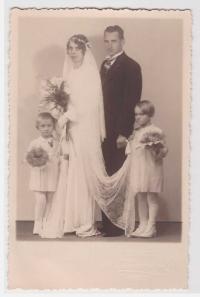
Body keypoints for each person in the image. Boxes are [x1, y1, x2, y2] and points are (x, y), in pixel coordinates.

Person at [41, 34, 107, 238]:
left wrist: (67, 115)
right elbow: (66, 101)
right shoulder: (69, 74)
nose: (71, 52)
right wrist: (59, 113)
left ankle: (85, 222)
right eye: (69, 48)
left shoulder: (89, 73)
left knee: (84, 172)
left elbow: (90, 104)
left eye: (75, 48)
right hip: (71, 127)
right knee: (70, 171)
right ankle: (71, 219)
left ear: (84, 50)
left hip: (85, 127)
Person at [100, 25, 142, 235]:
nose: (110, 45)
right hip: (102, 130)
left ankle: (118, 224)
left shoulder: (131, 66)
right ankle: (107, 222)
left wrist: (123, 132)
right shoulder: (104, 65)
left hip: (117, 131)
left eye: (114, 41)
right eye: (106, 41)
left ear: (123, 41)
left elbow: (130, 101)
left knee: (117, 175)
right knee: (105, 174)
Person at [118, 100, 168, 237]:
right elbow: (132, 151)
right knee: (140, 196)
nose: (137, 117)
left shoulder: (156, 131)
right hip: (139, 168)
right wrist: (129, 141)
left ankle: (151, 227)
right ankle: (143, 225)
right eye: (136, 114)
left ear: (149, 115)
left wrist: (157, 148)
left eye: (141, 114)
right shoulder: (137, 132)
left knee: (151, 197)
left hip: (151, 168)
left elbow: (164, 151)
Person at [26, 112, 59, 234]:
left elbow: (58, 156)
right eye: (43, 126)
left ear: (53, 126)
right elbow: (28, 159)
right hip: (39, 175)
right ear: (38, 127)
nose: (46, 129)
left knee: (50, 200)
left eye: (49, 125)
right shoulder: (35, 143)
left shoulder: (56, 142)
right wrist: (37, 162)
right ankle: (38, 223)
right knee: (41, 200)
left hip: (52, 174)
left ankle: (47, 222)